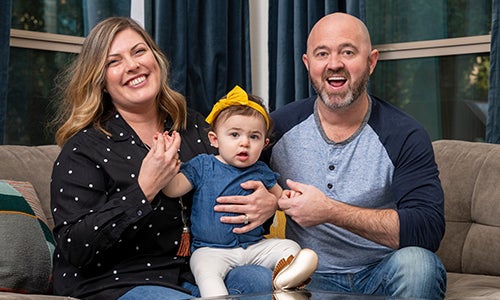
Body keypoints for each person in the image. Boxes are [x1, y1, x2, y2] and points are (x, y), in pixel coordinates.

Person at [49, 17, 279, 300]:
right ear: (101, 82)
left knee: (260, 280)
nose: (133, 65)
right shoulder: (84, 149)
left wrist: (266, 206)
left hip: (196, 271)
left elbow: (239, 183)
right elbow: (74, 246)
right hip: (119, 282)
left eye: (138, 51)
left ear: (155, 58)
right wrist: (144, 189)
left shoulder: (196, 129)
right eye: (114, 61)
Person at [265, 12, 447, 299]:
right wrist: (263, 202)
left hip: (379, 272)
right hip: (302, 275)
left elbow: (426, 229)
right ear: (307, 63)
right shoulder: (276, 128)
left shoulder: (404, 134)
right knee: (243, 275)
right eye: (322, 53)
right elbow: (237, 178)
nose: (334, 64)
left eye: (348, 52)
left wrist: (330, 211)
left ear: (371, 62)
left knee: (419, 265)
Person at [161, 85, 318, 298]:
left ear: (264, 144)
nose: (244, 142)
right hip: (212, 250)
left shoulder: (261, 170)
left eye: (254, 137)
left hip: (253, 247)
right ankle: (215, 296)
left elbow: (281, 198)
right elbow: (173, 190)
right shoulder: (203, 165)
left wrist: (287, 198)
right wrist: (167, 164)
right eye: (234, 134)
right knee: (204, 268)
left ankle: (285, 279)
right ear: (214, 139)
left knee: (290, 247)